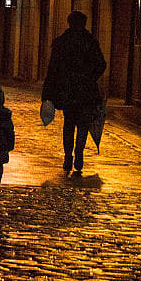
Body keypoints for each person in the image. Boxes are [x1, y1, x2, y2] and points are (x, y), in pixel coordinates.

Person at [42, 11, 106, 175]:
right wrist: (90, 78)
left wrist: (48, 94)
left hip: (67, 90)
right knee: (83, 124)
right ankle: (79, 152)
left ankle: (68, 155)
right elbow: (101, 64)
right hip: (85, 91)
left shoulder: (62, 43)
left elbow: (53, 70)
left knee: (69, 124)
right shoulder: (90, 42)